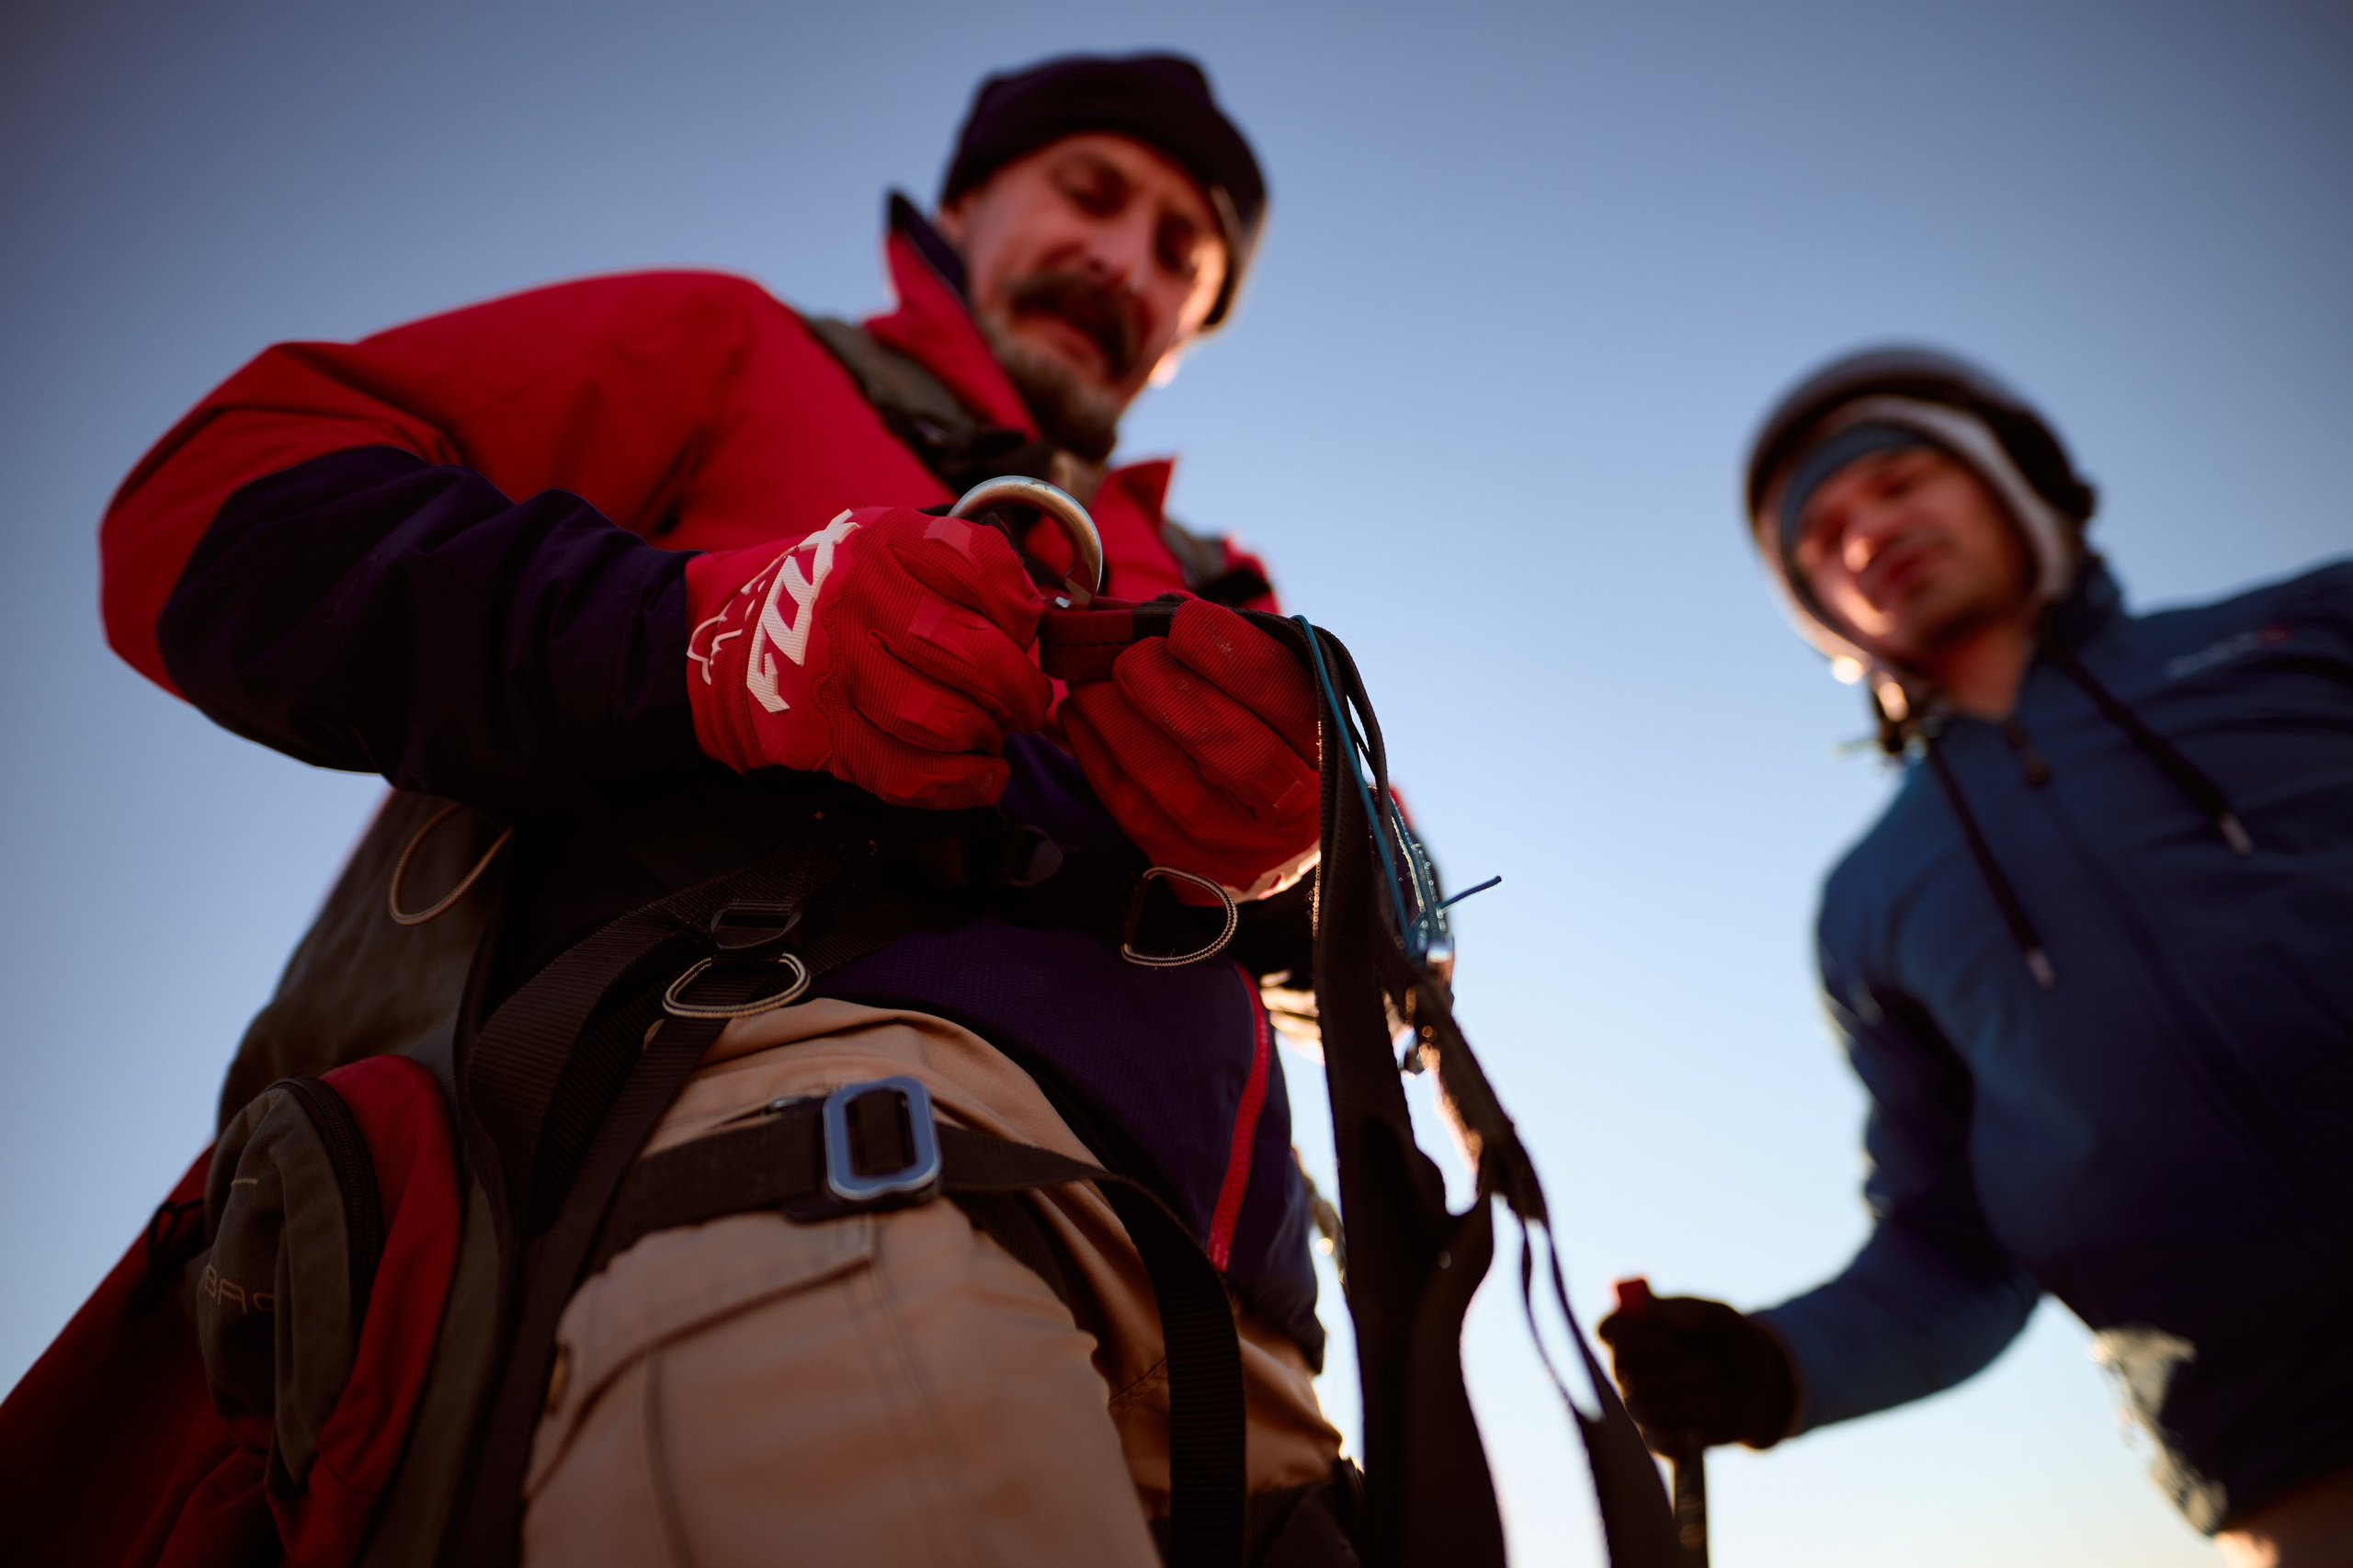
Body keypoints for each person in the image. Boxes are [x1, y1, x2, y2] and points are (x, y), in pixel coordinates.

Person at [97, 51, 1347, 1565]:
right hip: (835, 1166)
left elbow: (1395, 944)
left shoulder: (1227, 584)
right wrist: (698, 639)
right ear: (967, 203)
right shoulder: (740, 349)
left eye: (1181, 260)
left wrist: (1308, 859)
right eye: (1091, 194)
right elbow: (214, 504)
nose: (1126, 264)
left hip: (1262, 1366)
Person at [1597, 348, 2353, 1565]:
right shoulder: (1870, 905)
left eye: (1898, 482)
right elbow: (1957, 1247)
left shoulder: (2306, 632)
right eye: (1823, 537)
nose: (1867, 534)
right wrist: (1773, 1364)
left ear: (2016, 485)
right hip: (2296, 1480)